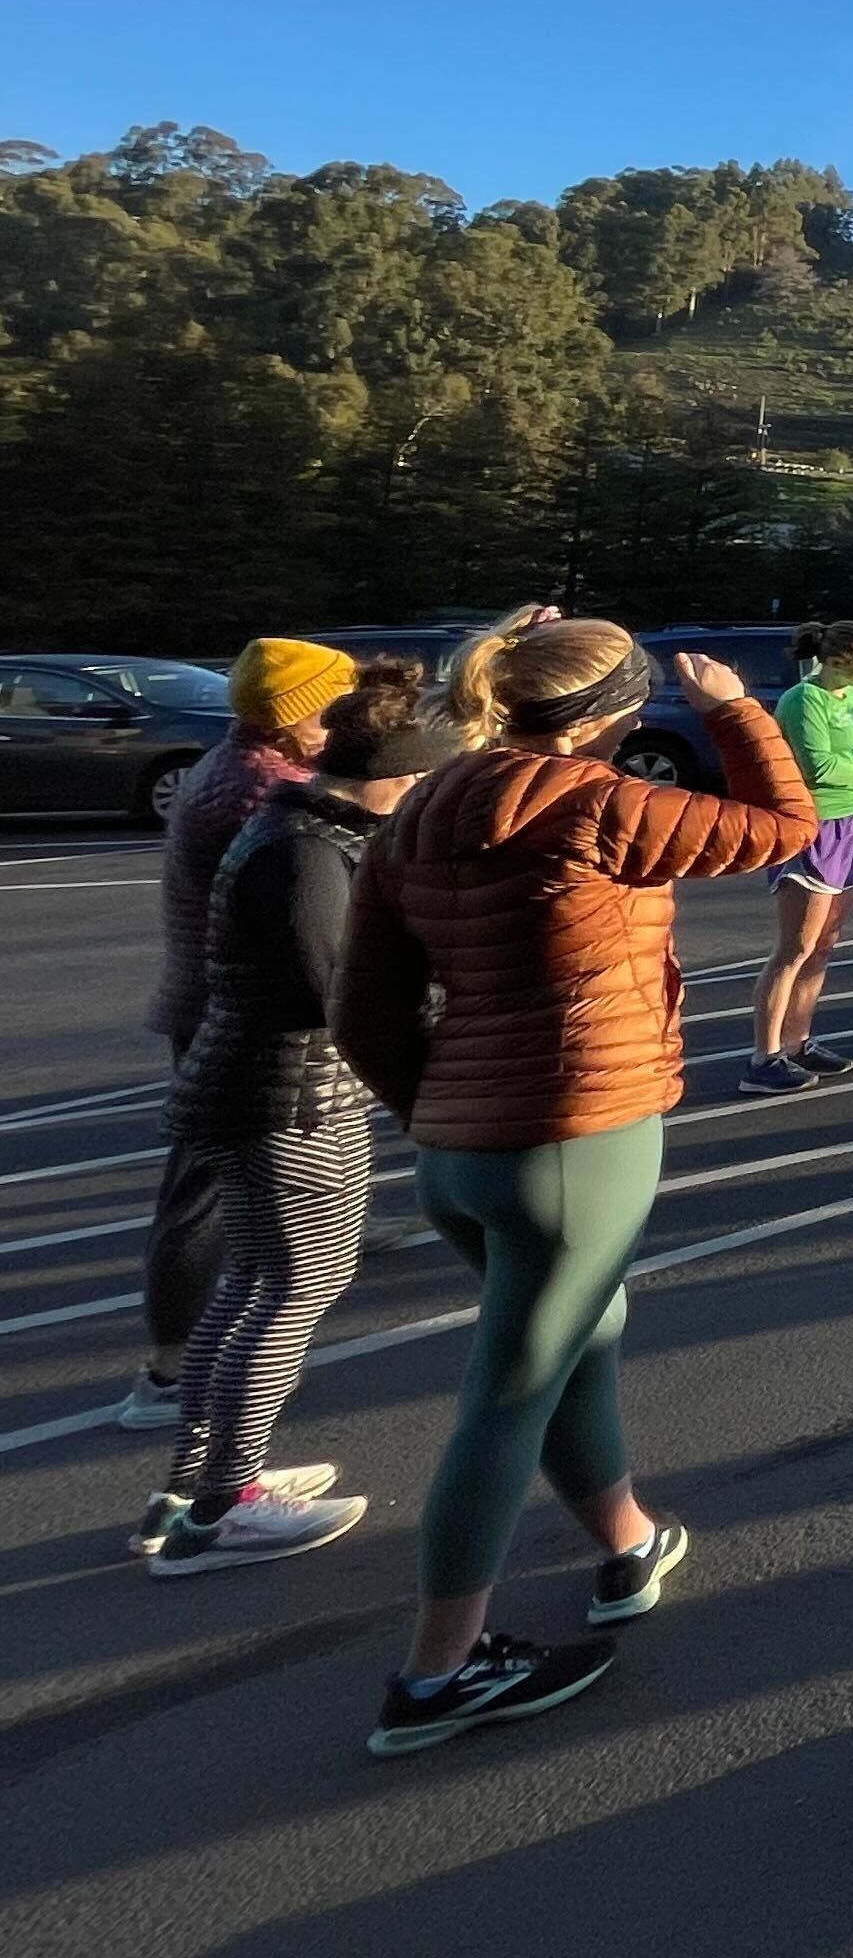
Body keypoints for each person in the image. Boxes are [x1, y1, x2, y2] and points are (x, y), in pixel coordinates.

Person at [336, 614, 814, 1754]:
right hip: (575, 1134)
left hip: (463, 1148)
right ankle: (435, 1675)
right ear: (617, 716)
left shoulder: (422, 816)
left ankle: (626, 1543)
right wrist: (735, 708)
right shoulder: (601, 807)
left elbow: (365, 1009)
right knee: (511, 1391)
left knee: (585, 1334)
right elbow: (787, 829)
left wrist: (438, 1114)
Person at [145, 666, 456, 1573]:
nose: (422, 795)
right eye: (419, 778)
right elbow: (340, 989)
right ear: (386, 773)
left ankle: (198, 1482)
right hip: (286, 1099)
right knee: (290, 1289)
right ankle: (227, 1504)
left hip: (259, 1087)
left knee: (251, 1283)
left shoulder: (302, 829)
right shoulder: (302, 851)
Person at [116, 635, 354, 1433]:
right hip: (227, 1016)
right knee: (202, 1197)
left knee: (227, 1190)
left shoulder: (246, 762)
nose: (350, 714)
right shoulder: (261, 791)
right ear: (299, 715)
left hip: (220, 1006)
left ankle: (193, 1356)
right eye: (338, 701)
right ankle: (170, 1371)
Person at [745, 620, 853, 1096]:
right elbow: (819, 766)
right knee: (795, 947)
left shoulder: (851, 697)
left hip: (851, 823)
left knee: (824, 944)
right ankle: (763, 1057)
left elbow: (848, 756)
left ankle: (798, 1041)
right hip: (813, 826)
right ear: (841, 659)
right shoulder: (804, 700)